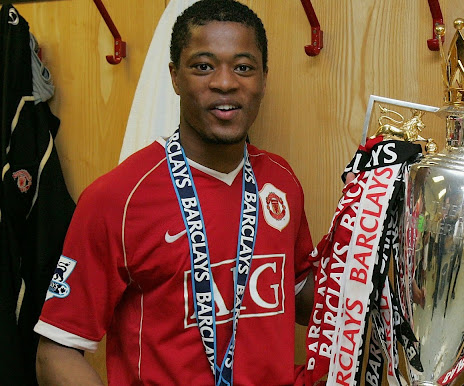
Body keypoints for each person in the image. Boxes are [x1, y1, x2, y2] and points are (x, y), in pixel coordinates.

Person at [34, 0, 315, 384]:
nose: (225, 82)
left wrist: (370, 249)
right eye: (203, 66)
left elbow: (301, 297)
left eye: (243, 67)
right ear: (175, 77)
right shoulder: (117, 198)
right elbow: (57, 350)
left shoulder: (281, 179)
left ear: (264, 78)